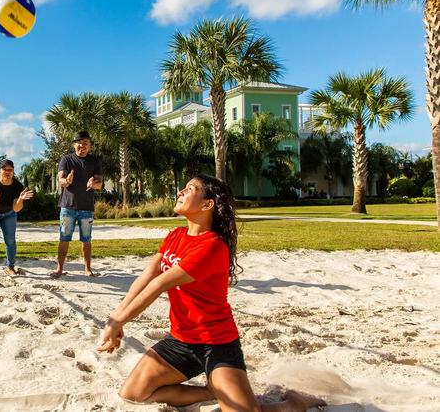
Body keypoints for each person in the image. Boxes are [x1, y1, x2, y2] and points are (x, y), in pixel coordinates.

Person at [97, 175, 326, 411]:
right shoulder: (175, 236)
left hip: (216, 343)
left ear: (207, 205)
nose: (180, 192)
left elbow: (158, 285)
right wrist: (116, 319)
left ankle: (291, 404)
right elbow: (146, 278)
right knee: (133, 394)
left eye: (190, 189)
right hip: (180, 341)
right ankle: (211, 391)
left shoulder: (212, 246)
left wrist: (116, 323)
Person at [50, 130, 103, 278]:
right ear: (74, 145)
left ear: (90, 146)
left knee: (86, 240)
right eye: (80, 143)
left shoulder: (94, 161)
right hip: (68, 206)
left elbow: (99, 184)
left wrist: (93, 183)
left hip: (87, 207)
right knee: (64, 238)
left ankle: (87, 269)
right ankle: (59, 269)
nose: (83, 145)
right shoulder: (66, 159)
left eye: (86, 143)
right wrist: (66, 181)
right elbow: (61, 180)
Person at [0, 159, 34, 279]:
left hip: (9, 213)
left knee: (10, 240)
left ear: (13, 171)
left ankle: (10, 267)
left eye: (10, 170)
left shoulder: (17, 186)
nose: (7, 172)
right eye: (4, 169)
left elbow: (16, 208)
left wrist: (20, 199)